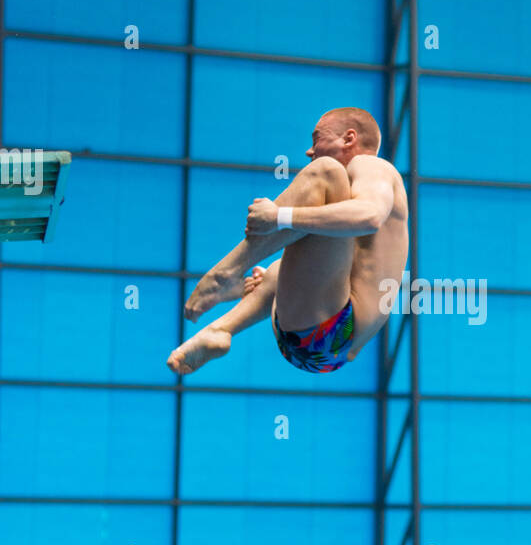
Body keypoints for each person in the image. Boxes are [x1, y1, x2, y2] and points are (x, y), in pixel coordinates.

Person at [168, 107, 409, 379]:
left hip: (331, 329)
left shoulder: (373, 168)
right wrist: (281, 278)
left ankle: (225, 273)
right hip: (321, 342)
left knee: (326, 172)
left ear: (349, 138)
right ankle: (221, 329)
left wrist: (278, 217)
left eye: (317, 138)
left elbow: (370, 216)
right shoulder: (350, 195)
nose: (309, 151)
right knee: (284, 259)